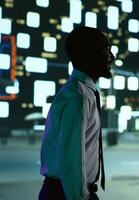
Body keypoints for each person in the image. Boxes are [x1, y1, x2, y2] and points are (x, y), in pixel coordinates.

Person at [39, 26, 115, 200]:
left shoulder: (83, 93)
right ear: (87, 55)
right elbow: (71, 162)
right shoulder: (77, 98)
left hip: (74, 191)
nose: (112, 57)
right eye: (106, 49)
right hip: (67, 193)